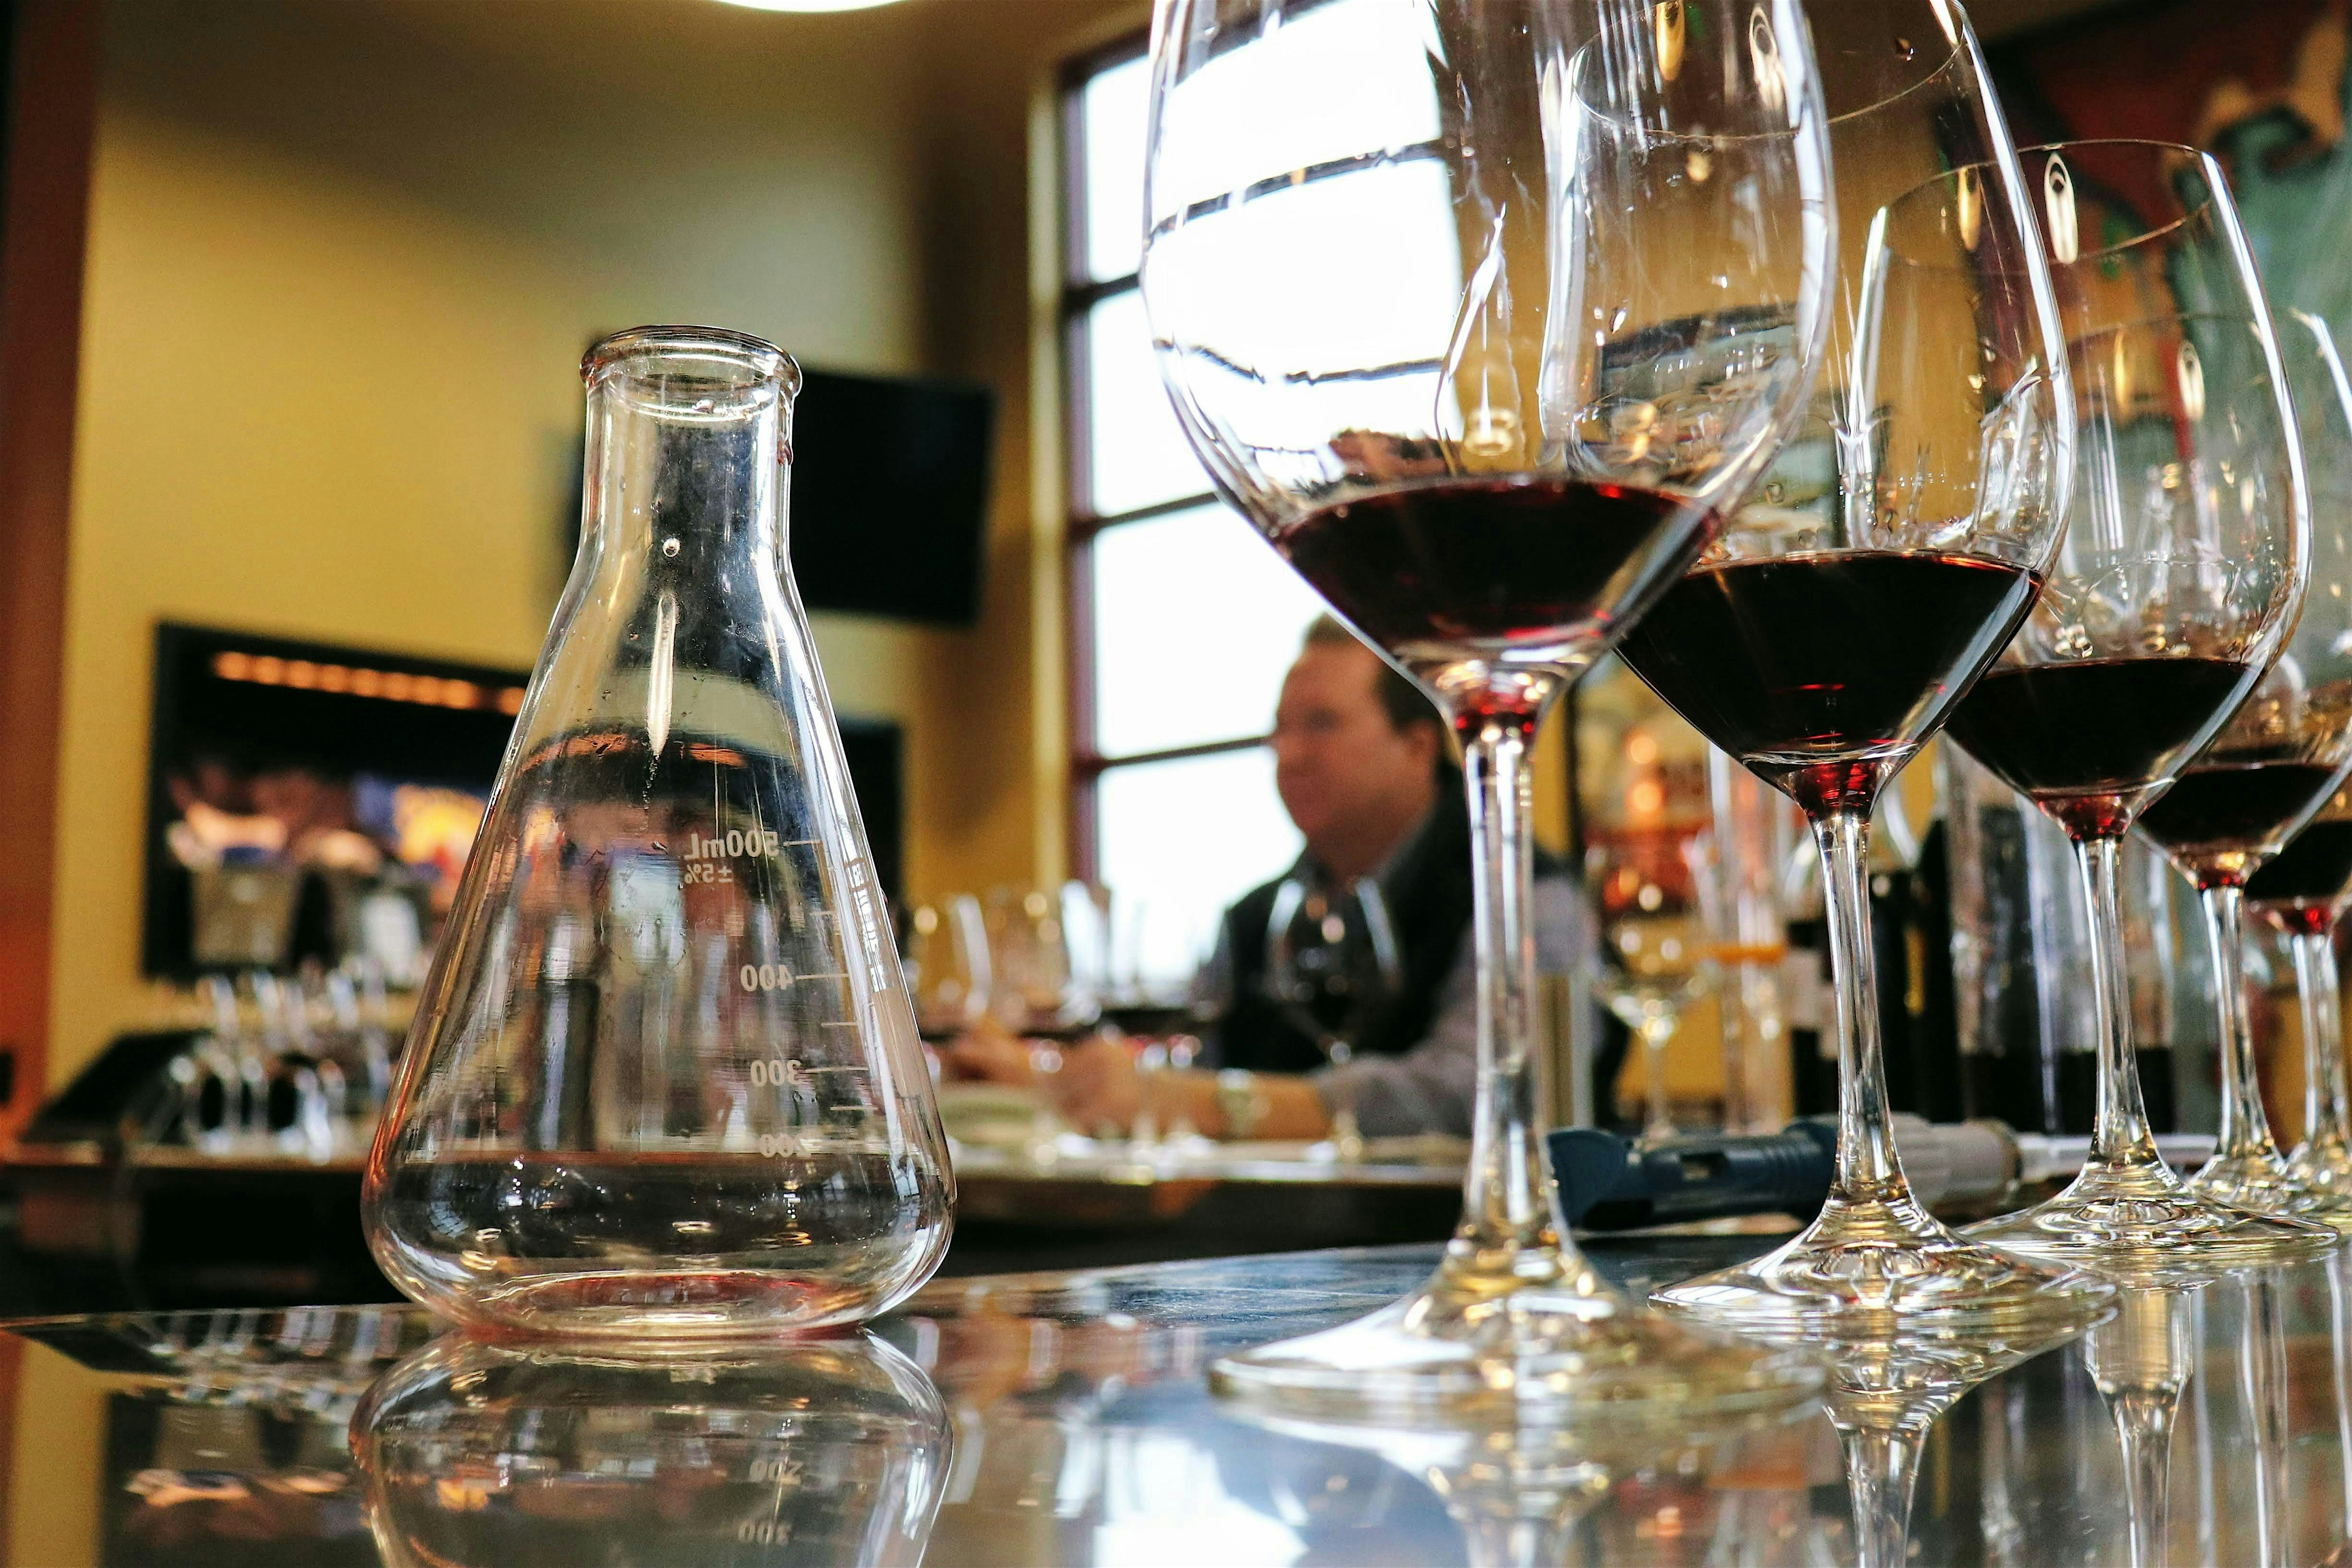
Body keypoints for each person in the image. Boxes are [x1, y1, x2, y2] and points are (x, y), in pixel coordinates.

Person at [946, 616, 1585, 1141]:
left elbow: (1483, 1089)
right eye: (1279, 729)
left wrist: (1213, 1105)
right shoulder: (1256, 918)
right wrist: (1050, 1081)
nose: (1287, 752)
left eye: (1321, 724)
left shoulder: (1522, 893)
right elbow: (1180, 1072)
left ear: (1417, 747)